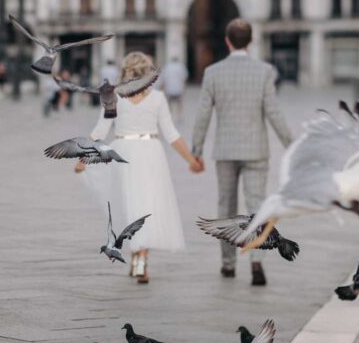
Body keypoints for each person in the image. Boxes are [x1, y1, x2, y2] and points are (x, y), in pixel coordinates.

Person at [75, 51, 202, 284]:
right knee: (147, 206)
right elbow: (172, 135)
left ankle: (136, 256)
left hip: (122, 151)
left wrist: (83, 157)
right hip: (150, 152)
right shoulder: (158, 98)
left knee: (128, 205)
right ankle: (142, 260)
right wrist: (191, 160)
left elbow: (100, 131)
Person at [191, 18, 293, 286]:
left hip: (225, 150)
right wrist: (291, 146)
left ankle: (227, 264)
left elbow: (203, 113)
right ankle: (257, 262)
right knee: (257, 206)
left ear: (227, 40)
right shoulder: (264, 71)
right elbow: (273, 112)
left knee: (226, 207)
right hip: (256, 149)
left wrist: (196, 149)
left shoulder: (213, 72)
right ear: (251, 41)